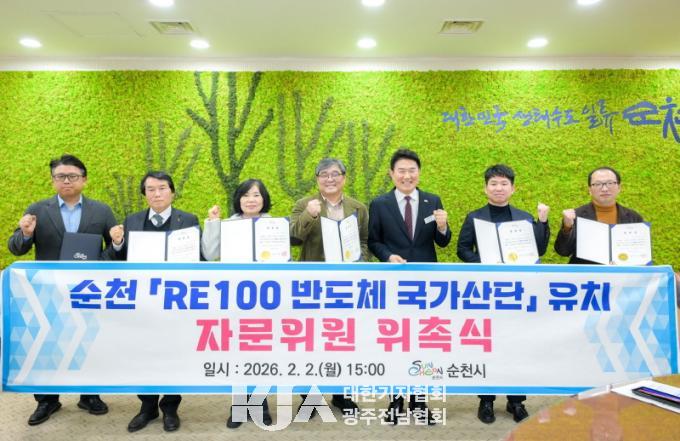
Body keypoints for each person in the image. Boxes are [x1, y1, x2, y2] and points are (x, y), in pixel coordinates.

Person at [8, 154, 116, 426]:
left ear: (84, 179)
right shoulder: (38, 209)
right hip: (48, 290)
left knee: (89, 339)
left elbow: (115, 250)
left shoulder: (101, 211)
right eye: (60, 176)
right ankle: (47, 400)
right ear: (53, 180)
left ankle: (89, 395)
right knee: (47, 344)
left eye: (73, 176)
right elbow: (16, 247)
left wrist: (102, 255)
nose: (66, 181)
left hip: (88, 289)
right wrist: (26, 233)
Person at [105, 171, 200, 433]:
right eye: (150, 189)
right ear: (144, 194)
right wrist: (117, 242)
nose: (157, 194)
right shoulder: (132, 221)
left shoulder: (188, 220)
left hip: (176, 301)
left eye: (162, 188)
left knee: (173, 352)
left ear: (172, 191)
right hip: (142, 300)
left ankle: (170, 407)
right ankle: (147, 407)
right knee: (143, 352)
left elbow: (199, 260)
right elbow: (115, 258)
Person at [456, 164, 550, 424]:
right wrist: (485, 264)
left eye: (504, 183)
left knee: (517, 344)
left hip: (515, 292)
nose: (499, 188)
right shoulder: (475, 217)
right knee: (487, 344)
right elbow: (462, 249)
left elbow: (539, 250)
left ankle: (516, 401)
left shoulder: (524, 217)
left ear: (513, 188)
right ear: (486, 188)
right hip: (486, 291)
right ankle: (486, 401)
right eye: (494, 183)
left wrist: (542, 222)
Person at [368, 148, 451, 425]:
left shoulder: (432, 200)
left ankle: (419, 401)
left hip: (426, 284)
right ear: (391, 174)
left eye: (412, 170)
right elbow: (373, 240)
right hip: (394, 283)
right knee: (395, 342)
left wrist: (442, 227)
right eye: (401, 171)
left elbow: (442, 242)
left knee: (423, 342)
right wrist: (387, 256)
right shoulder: (380, 204)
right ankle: (395, 400)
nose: (407, 175)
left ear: (419, 173)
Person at [290, 158, 367, 416]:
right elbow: (293, 238)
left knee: (342, 340)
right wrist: (309, 215)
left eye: (335, 174)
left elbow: (365, 241)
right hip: (311, 285)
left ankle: (342, 396)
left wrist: (359, 261)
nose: (330, 179)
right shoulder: (304, 204)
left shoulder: (358, 208)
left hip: (345, 286)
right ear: (317, 179)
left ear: (344, 177)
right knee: (310, 342)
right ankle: (310, 397)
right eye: (324, 174)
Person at [200, 178, 274, 428]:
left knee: (262, 353)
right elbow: (210, 255)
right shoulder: (228, 225)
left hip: (266, 301)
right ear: (238, 200)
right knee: (238, 354)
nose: (251, 200)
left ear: (264, 199)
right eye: (245, 195)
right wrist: (213, 223)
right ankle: (240, 406)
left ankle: (261, 404)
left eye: (256, 195)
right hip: (235, 299)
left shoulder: (274, 225)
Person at [554, 166, 643, 263]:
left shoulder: (633, 217)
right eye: (597, 184)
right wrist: (567, 227)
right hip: (586, 271)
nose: (604, 189)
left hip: (622, 271)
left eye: (610, 183)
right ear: (589, 190)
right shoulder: (576, 215)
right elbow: (563, 251)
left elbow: (640, 252)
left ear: (619, 187)